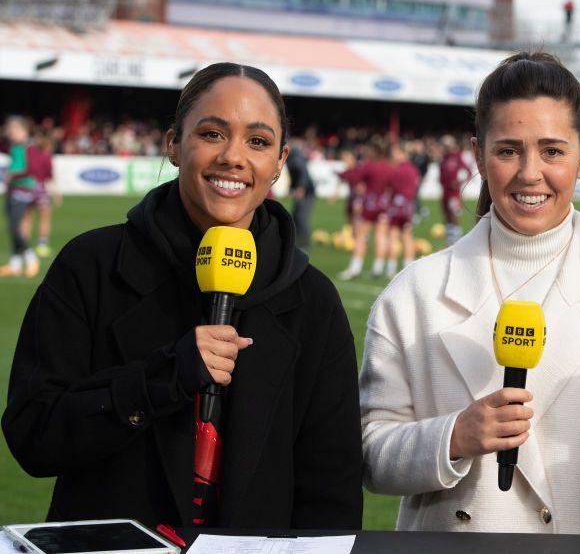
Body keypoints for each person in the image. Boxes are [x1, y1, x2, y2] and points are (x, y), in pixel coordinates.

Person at [2, 63, 363, 529]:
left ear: (279, 162)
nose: (234, 157)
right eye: (212, 134)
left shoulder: (314, 301)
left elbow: (332, 492)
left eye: (257, 142)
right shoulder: (90, 265)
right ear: (173, 144)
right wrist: (162, 378)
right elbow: (34, 435)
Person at [360, 52, 580, 553]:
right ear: (478, 153)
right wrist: (453, 437)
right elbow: (369, 453)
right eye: (509, 150)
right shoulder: (413, 294)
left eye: (552, 151)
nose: (530, 173)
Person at [340, 138, 391, 280]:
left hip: (369, 205)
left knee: (360, 237)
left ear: (374, 150)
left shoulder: (369, 165)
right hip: (383, 205)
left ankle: (355, 268)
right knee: (381, 236)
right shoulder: (388, 167)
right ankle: (378, 268)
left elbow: (354, 178)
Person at [0, 116, 41, 278]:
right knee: (12, 226)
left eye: (14, 129)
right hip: (12, 190)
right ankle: (15, 264)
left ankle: (31, 258)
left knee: (15, 226)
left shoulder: (28, 147)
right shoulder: (13, 146)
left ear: (24, 131)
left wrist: (12, 175)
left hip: (22, 190)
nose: (11, 132)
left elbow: (31, 168)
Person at [385, 142, 421, 277]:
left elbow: (389, 188)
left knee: (393, 236)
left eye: (395, 153)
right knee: (407, 236)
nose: (393, 156)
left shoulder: (394, 170)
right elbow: (415, 187)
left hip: (395, 205)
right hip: (407, 206)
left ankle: (391, 268)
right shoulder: (412, 170)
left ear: (402, 154)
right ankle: (408, 267)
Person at [21, 133, 60, 258]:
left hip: (27, 188)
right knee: (44, 218)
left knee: (26, 218)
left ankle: (23, 245)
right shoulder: (46, 157)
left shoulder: (30, 152)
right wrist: (57, 194)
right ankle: (42, 245)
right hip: (40, 190)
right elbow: (50, 177)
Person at [438, 134, 472, 247]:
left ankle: (456, 241)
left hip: (453, 193)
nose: (444, 147)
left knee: (454, 216)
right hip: (445, 192)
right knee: (446, 216)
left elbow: (468, 171)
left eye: (446, 145)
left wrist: (459, 182)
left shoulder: (457, 156)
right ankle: (449, 241)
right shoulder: (443, 158)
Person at [285, 135, 317, 251]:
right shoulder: (291, 157)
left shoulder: (296, 157)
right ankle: (296, 243)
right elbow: (294, 175)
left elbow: (302, 173)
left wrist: (300, 188)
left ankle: (304, 245)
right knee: (295, 217)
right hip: (302, 190)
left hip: (307, 192)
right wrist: (291, 188)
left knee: (301, 218)